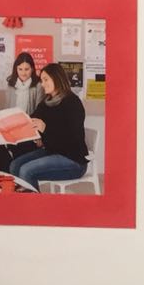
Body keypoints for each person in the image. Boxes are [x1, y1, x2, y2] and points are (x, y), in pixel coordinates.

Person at [10, 62, 90, 190]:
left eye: (46, 79)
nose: (42, 84)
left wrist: (45, 129)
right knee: (14, 165)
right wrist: (8, 128)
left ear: (57, 78)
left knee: (26, 170)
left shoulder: (73, 102)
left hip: (73, 160)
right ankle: (22, 199)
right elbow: (30, 120)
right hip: (52, 151)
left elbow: (71, 139)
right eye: (42, 80)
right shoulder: (46, 102)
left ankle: (31, 202)